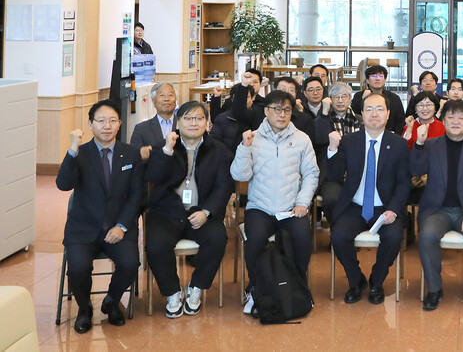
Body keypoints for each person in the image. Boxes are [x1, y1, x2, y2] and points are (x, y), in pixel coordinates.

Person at [56, 100, 143, 334]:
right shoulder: (80, 153)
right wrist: (72, 150)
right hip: (83, 229)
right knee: (78, 268)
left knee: (130, 263)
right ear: (90, 124)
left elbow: (136, 196)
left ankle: (111, 301)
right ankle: (84, 308)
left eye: (112, 120)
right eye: (101, 121)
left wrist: (122, 226)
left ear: (120, 124)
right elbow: (63, 184)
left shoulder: (131, 154)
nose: (107, 126)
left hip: (118, 228)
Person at [230, 90, 319, 315]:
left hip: (291, 208)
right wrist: (245, 148)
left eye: (287, 110)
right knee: (255, 240)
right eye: (277, 109)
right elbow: (240, 175)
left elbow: (311, 174)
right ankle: (255, 288)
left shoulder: (301, 139)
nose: (282, 114)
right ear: (266, 111)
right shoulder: (253, 138)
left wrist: (302, 203)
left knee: (302, 238)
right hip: (260, 208)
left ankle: (298, 287)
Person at [145, 101, 233, 318]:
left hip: (200, 212)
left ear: (207, 123)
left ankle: (196, 287)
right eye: (188, 118)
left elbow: (224, 187)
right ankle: (172, 292)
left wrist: (207, 212)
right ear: (178, 122)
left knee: (218, 239)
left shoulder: (219, 150)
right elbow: (153, 177)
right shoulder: (164, 146)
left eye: (199, 118)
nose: (194, 123)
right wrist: (166, 151)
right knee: (155, 244)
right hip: (167, 213)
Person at [325, 92, 411, 305]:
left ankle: (376, 281)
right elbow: (334, 176)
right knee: (338, 237)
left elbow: (404, 183)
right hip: (354, 206)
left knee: (393, 238)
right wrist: (333, 149)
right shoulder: (349, 141)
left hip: (385, 208)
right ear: (361, 114)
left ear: (388, 114)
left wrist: (393, 209)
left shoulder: (399, 144)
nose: (374, 114)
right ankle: (356, 281)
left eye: (380, 109)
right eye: (369, 109)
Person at [411, 99, 463, 312]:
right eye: (451, 117)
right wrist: (418, 143)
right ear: (443, 121)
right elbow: (415, 170)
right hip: (437, 211)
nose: (456, 121)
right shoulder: (430, 145)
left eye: (461, 118)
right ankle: (434, 289)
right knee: (427, 235)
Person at [313, 82, 362, 219]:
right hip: (331, 175)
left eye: (344, 96)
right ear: (330, 100)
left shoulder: (360, 120)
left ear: (350, 99)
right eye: (336, 97)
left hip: (356, 172)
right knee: (332, 199)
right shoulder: (324, 119)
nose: (340, 101)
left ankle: (353, 227)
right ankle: (336, 227)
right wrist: (324, 112)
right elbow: (320, 139)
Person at [350, 65, 405, 134]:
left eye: (380, 76)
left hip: (389, 133)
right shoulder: (359, 95)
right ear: (367, 81)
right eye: (373, 76)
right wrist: (362, 99)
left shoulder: (394, 98)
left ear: (384, 80)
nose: (377, 79)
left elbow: (400, 121)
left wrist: (395, 137)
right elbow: (353, 115)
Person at [131, 82, 177, 160]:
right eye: (162, 95)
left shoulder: (185, 125)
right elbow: (134, 159)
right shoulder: (141, 129)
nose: (166, 99)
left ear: (175, 100)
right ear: (153, 101)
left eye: (170, 95)